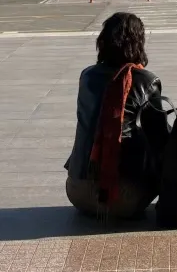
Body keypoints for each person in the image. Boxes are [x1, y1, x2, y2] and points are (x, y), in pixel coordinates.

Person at [65, 12, 167, 219]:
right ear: (138, 43)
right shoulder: (145, 80)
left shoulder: (87, 76)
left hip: (76, 190)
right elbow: (161, 137)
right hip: (122, 198)